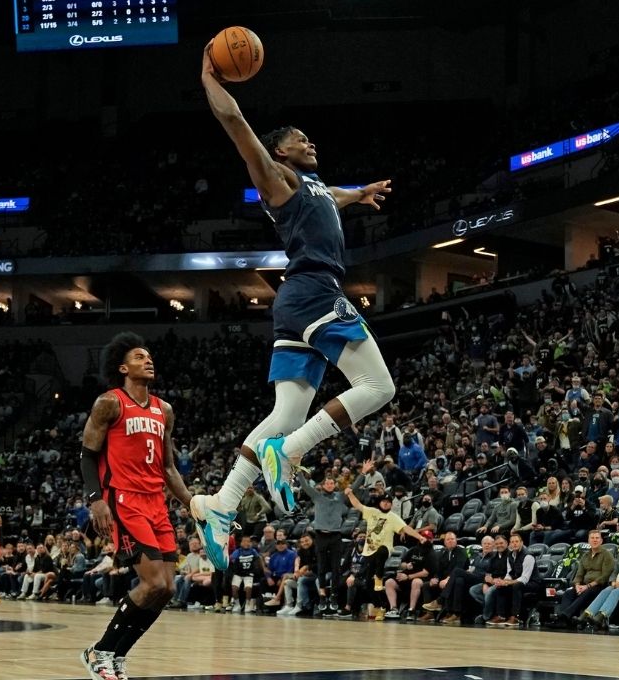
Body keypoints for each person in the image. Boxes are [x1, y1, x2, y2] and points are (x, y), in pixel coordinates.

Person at [192, 47, 398, 571]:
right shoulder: (275, 178)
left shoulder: (310, 185)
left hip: (295, 303)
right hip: (315, 291)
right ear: (279, 153)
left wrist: (361, 192)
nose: (310, 141)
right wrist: (208, 77)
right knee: (378, 388)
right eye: (299, 138)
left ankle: (221, 504)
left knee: (285, 413)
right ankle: (289, 452)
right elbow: (235, 120)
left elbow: (332, 194)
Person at [79, 332, 193, 680]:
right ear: (123, 367)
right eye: (140, 357)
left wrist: (193, 504)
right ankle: (99, 651)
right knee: (153, 583)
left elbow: (169, 467)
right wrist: (96, 500)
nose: (148, 360)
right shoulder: (109, 403)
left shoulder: (164, 410)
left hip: (156, 501)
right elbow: (87, 454)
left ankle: (115, 655)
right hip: (125, 500)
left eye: (149, 356)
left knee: (168, 589)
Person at [297, 472, 348, 614]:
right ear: (323, 485)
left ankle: (334, 597)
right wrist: (300, 472)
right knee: (321, 568)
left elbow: (354, 487)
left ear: (334, 485)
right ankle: (322, 597)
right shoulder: (317, 496)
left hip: (336, 536)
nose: (330, 485)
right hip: (320, 535)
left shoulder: (340, 496)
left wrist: (362, 473)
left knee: (336, 568)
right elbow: (305, 486)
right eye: (327, 483)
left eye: (332, 483)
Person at [554, 530, 614, 624]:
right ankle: (565, 621)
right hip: (584, 585)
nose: (595, 540)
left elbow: (605, 576)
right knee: (569, 593)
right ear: (588, 541)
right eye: (592, 538)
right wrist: (577, 585)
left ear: (601, 541)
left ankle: (564, 616)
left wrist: (588, 586)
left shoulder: (607, 555)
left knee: (587, 592)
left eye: (597, 538)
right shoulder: (585, 556)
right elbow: (579, 574)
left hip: (599, 586)